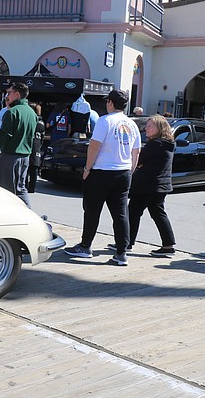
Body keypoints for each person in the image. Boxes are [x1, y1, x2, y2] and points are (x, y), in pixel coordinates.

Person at [64, 89, 141, 266]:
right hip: (123, 172)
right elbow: (136, 152)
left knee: (92, 210)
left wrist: (87, 168)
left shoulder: (104, 121)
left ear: (110, 103)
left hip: (102, 172)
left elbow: (94, 147)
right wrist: (130, 171)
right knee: (120, 214)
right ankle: (122, 253)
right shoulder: (132, 124)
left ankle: (85, 246)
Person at [125, 115, 177, 255]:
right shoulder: (168, 144)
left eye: (150, 126)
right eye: (146, 126)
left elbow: (139, 160)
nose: (146, 129)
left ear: (159, 128)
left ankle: (126, 243)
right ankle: (168, 245)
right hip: (162, 185)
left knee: (133, 213)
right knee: (158, 213)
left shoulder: (155, 144)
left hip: (147, 185)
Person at [0, 82, 35, 207]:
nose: (6, 96)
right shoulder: (31, 112)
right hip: (25, 156)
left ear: (17, 94)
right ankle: (28, 216)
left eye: (9, 93)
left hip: (10, 156)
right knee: (20, 189)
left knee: (5, 191)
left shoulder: (12, 112)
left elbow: (3, 136)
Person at [26, 103, 45, 193]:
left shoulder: (30, 119)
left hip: (29, 144)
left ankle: (25, 185)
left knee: (26, 167)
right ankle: (32, 187)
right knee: (34, 167)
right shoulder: (41, 122)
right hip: (37, 145)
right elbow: (42, 135)